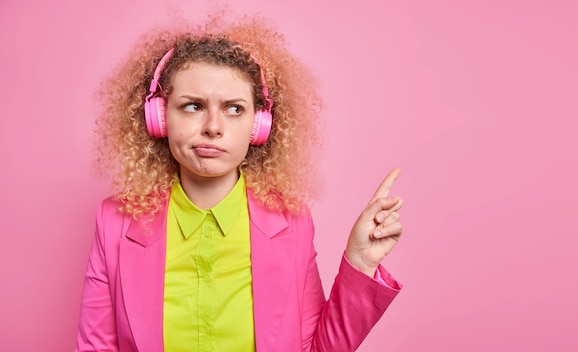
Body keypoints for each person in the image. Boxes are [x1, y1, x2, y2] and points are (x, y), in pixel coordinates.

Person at [76, 14, 403, 352]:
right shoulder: (113, 222)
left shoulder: (292, 223)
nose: (213, 127)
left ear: (258, 125)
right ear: (159, 118)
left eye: (233, 109)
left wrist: (360, 263)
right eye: (192, 106)